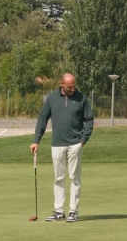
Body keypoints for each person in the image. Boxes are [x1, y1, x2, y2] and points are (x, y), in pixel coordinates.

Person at [30, 73, 94, 222]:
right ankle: (59, 211)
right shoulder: (51, 98)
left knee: (74, 179)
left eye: (74, 87)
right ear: (61, 84)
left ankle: (73, 211)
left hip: (75, 144)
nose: (72, 90)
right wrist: (36, 141)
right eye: (69, 87)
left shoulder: (82, 98)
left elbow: (89, 120)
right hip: (57, 144)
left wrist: (82, 141)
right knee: (58, 178)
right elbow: (42, 120)